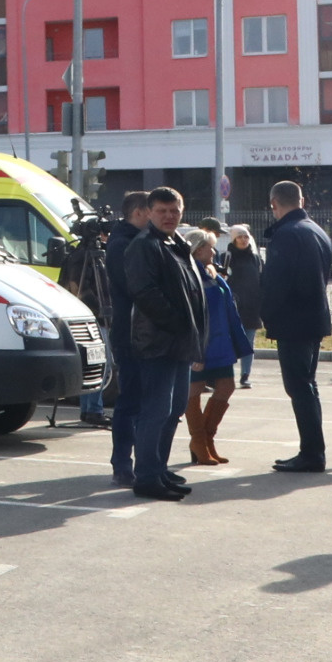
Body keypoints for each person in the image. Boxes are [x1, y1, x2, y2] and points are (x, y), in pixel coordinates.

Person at [114, 187, 206, 500]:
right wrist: (179, 324)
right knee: (156, 410)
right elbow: (146, 293)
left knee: (175, 407)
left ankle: (159, 469)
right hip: (157, 342)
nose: (169, 216)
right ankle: (147, 477)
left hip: (179, 342)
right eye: (162, 211)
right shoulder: (145, 245)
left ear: (182, 212)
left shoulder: (176, 242)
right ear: (150, 212)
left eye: (174, 211)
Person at [259, 181, 332, 472]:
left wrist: (267, 316)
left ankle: (312, 453)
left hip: (293, 320)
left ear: (273, 204)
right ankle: (312, 450)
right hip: (313, 318)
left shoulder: (287, 234)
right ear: (301, 199)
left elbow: (276, 284)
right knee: (307, 386)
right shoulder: (315, 230)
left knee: (299, 388)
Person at [182, 228, 251, 466]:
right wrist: (195, 350)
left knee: (226, 386)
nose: (214, 251)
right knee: (195, 388)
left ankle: (206, 439)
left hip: (220, 343)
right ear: (198, 249)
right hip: (202, 344)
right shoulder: (189, 274)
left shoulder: (212, 273)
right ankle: (198, 441)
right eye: (210, 247)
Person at [100, 190, 155, 479]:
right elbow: (137, 288)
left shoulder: (141, 240)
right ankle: (122, 462)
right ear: (139, 213)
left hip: (147, 332)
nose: (159, 217)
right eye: (154, 211)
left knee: (149, 402)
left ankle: (147, 462)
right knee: (131, 400)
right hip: (131, 332)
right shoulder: (123, 244)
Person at [56, 214, 116, 427]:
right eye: (103, 232)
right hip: (91, 319)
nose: (106, 236)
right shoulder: (82, 258)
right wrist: (101, 309)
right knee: (100, 364)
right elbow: (78, 290)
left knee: (99, 364)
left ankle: (92, 409)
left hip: (96, 318)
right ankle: (92, 410)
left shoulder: (97, 255)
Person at [224, 223, 265, 389]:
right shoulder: (228, 256)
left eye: (245, 236)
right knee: (230, 341)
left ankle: (245, 375)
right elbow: (222, 278)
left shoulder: (255, 258)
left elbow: (261, 279)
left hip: (252, 306)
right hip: (234, 306)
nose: (243, 240)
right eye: (239, 237)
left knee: (249, 342)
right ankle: (225, 375)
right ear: (234, 240)